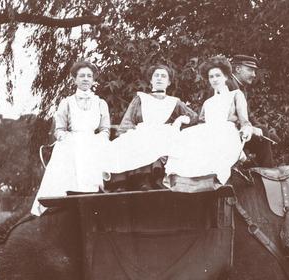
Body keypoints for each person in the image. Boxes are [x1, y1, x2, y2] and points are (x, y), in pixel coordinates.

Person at [31, 60, 111, 215]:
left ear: (94, 80)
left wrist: (100, 139)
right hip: (72, 141)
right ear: (75, 79)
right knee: (69, 150)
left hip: (93, 141)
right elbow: (59, 129)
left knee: (95, 150)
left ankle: (91, 199)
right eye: (81, 76)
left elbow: (105, 129)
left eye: (89, 76)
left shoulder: (100, 103)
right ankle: (64, 202)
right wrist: (64, 137)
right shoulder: (67, 103)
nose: (86, 79)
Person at [105, 64, 198, 191]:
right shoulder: (141, 98)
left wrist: (181, 119)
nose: (159, 79)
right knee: (125, 142)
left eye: (163, 76)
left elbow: (193, 116)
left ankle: (147, 179)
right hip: (141, 132)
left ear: (169, 82)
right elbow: (128, 121)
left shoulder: (174, 102)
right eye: (156, 76)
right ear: (151, 80)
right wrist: (128, 134)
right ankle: (127, 182)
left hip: (163, 133)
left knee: (154, 140)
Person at [164, 56, 252, 186]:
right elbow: (201, 123)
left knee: (218, 141)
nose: (215, 79)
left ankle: (216, 177)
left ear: (226, 77)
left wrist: (246, 128)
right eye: (211, 77)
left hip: (227, 132)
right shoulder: (208, 102)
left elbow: (244, 120)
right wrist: (183, 119)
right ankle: (189, 182)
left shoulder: (235, 95)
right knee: (187, 137)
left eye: (218, 75)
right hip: (209, 133)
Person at [225, 54, 275, 167]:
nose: (253, 75)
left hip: (238, 131)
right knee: (263, 132)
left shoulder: (240, 87)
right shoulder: (228, 85)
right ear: (238, 69)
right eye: (250, 70)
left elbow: (247, 115)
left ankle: (258, 170)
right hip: (228, 132)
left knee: (268, 135)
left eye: (254, 71)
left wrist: (257, 126)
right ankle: (268, 172)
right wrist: (252, 128)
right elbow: (225, 116)